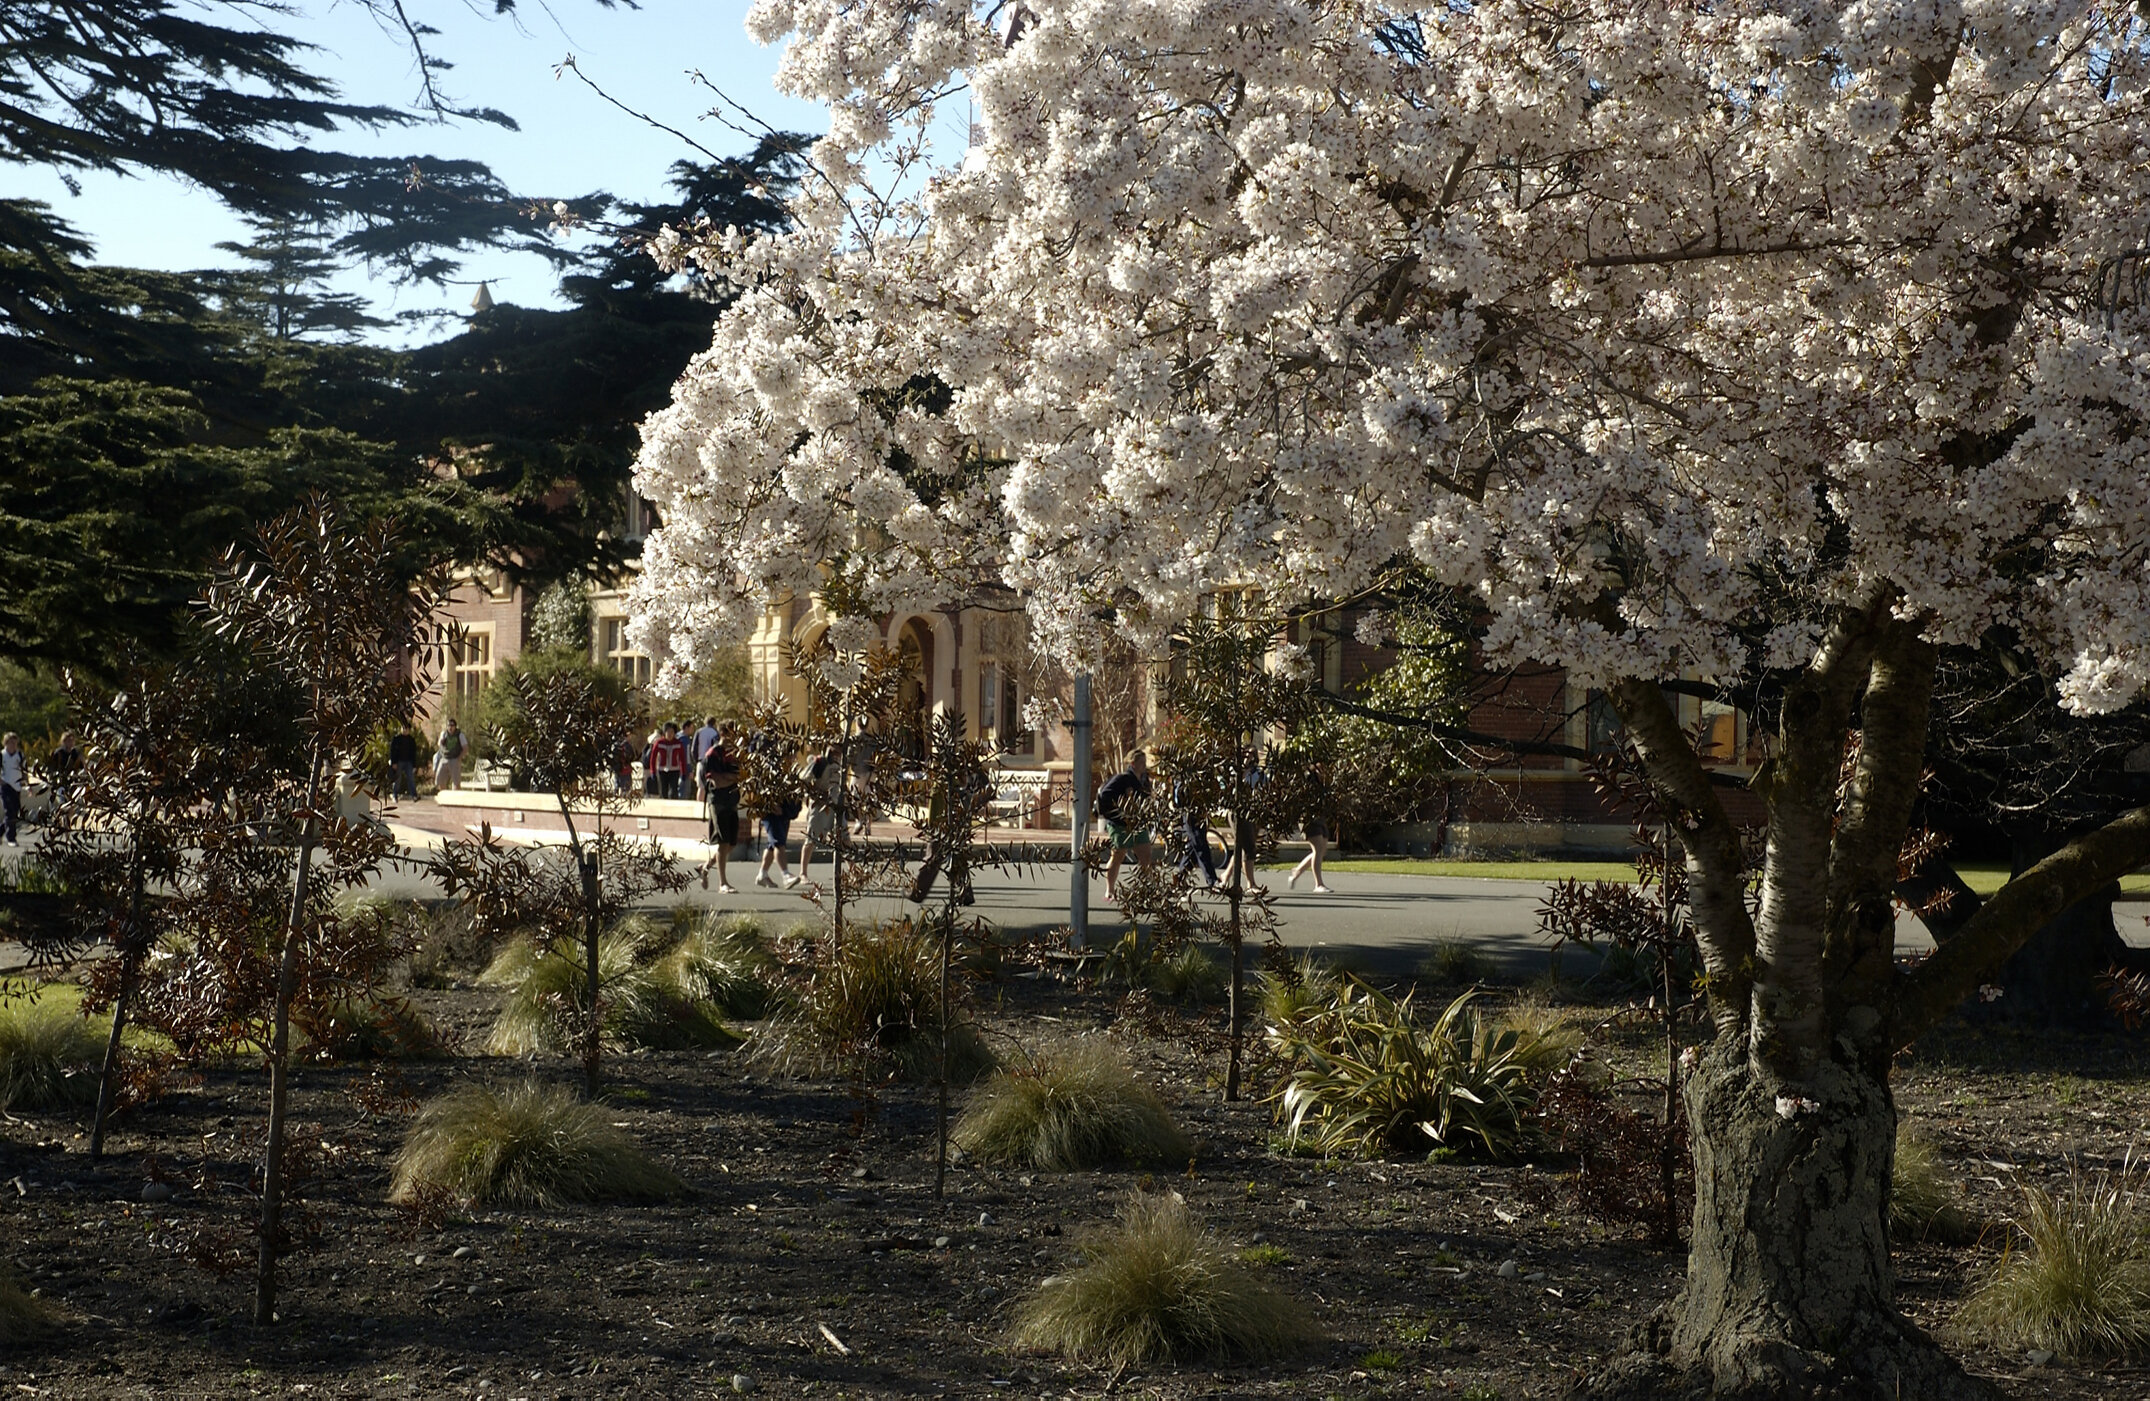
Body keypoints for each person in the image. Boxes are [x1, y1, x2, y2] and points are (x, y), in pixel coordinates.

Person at [1096, 749, 1155, 900]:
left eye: (1144, 762)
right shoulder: (1122, 779)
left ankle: (1146, 890)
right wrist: (1117, 813)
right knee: (1118, 855)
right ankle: (1110, 890)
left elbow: (1147, 798)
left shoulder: (1143, 780)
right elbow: (1104, 795)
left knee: (1146, 855)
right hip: (1119, 824)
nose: (1144, 765)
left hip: (1137, 823)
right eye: (1140, 762)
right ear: (1132, 763)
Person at [696, 726, 743, 893]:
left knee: (731, 844)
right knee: (723, 843)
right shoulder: (713, 754)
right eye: (731, 734)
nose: (734, 738)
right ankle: (723, 883)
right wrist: (730, 778)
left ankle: (705, 867)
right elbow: (717, 781)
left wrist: (729, 778)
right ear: (723, 734)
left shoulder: (734, 755)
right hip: (718, 802)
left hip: (732, 801)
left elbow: (740, 777)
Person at [796, 744, 844, 885]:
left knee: (843, 839)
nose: (837, 754)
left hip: (836, 806)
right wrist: (815, 794)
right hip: (820, 806)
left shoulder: (842, 765)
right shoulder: (821, 762)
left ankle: (851, 872)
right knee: (811, 838)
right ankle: (803, 873)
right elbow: (804, 778)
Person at [1288, 770, 1335, 893]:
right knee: (1318, 850)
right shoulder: (1308, 777)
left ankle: (1297, 871)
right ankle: (1318, 884)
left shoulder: (1324, 778)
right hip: (1308, 818)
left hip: (1321, 817)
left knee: (1321, 851)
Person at [1171, 773, 1218, 888]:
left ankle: (1180, 877)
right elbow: (1180, 798)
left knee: (1194, 846)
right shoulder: (1184, 779)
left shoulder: (1199, 775)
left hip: (1199, 813)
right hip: (1189, 815)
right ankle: (1212, 880)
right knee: (1200, 845)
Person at [45, 731, 82, 813]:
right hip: (60, 783)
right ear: (64, 741)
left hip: (71, 782)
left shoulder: (75, 753)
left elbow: (80, 767)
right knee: (62, 801)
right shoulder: (58, 753)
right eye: (69, 740)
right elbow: (50, 769)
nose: (71, 743)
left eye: (72, 740)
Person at [650, 721, 688, 799]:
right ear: (664, 732)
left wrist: (683, 772)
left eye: (672, 732)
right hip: (662, 770)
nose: (670, 734)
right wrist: (653, 771)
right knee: (663, 791)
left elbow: (682, 759)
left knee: (673, 791)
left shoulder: (678, 743)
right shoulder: (659, 743)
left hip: (674, 770)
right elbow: (653, 758)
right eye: (668, 732)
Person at [386, 723, 419, 800]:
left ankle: (414, 795)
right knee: (397, 779)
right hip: (399, 762)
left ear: (409, 730)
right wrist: (393, 762)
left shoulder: (411, 740)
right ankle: (395, 795)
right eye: (403, 728)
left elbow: (414, 753)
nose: (404, 730)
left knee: (411, 779)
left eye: (406, 728)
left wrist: (414, 765)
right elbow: (392, 751)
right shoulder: (396, 739)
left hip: (408, 762)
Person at [0, 732, 23, 845]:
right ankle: (11, 838)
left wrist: (27, 785)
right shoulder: (2, 755)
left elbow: (24, 771)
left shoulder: (19, 755)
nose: (13, 745)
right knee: (9, 811)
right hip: (6, 786)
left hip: (17, 786)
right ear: (6, 743)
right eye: (11, 742)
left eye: (15, 742)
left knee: (15, 812)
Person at [432, 719, 464, 793]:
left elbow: (465, 747)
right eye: (449, 725)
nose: (450, 727)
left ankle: (457, 799)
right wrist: (442, 741)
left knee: (456, 782)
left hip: (455, 759)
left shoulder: (460, 735)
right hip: (444, 758)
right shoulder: (444, 734)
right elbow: (439, 744)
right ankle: (444, 796)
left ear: (455, 726)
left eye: (452, 725)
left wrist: (460, 757)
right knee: (440, 779)